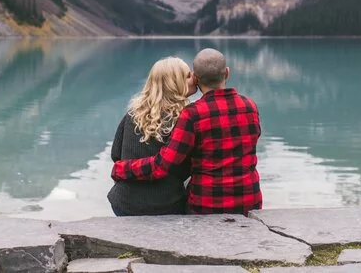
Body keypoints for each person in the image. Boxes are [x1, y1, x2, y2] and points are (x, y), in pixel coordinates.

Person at [111, 48, 262, 215]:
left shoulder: (190, 115)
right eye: (186, 75)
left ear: (196, 79)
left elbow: (161, 164)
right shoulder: (250, 107)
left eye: (191, 75)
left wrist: (121, 169)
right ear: (227, 73)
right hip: (249, 201)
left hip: (204, 206)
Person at [107, 56, 197, 216]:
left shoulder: (133, 113)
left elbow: (116, 154)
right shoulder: (185, 118)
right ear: (174, 82)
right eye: (188, 75)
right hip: (166, 205)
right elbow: (187, 166)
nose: (194, 78)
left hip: (124, 203)